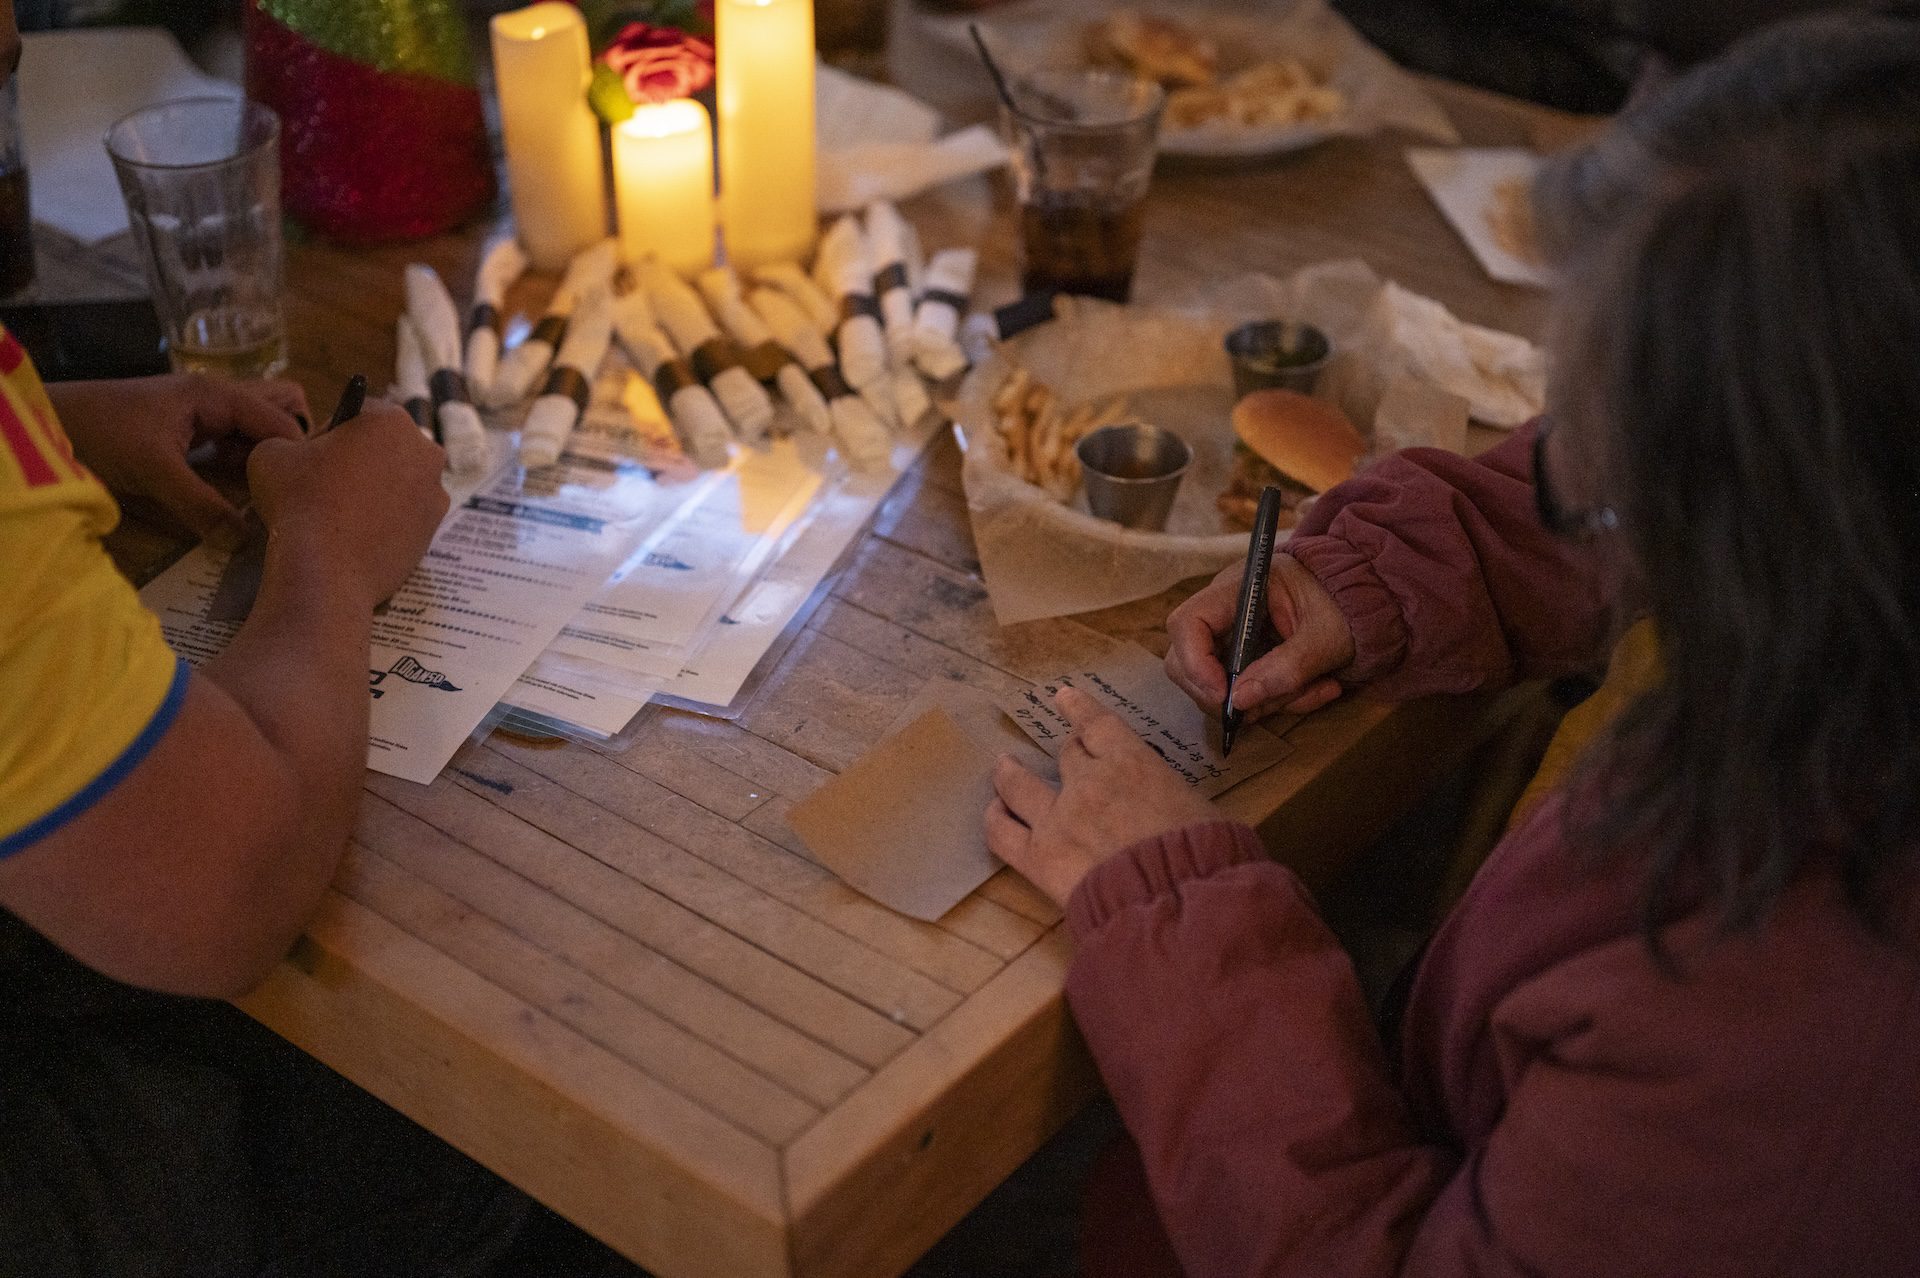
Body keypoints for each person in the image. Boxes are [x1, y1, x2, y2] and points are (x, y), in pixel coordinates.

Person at [986, 11, 1920, 1274]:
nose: (1569, 466)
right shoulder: (1859, 593)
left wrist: (1185, 913)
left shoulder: (1790, 1026)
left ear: (1760, 542)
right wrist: (1388, 574)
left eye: (1607, 485)